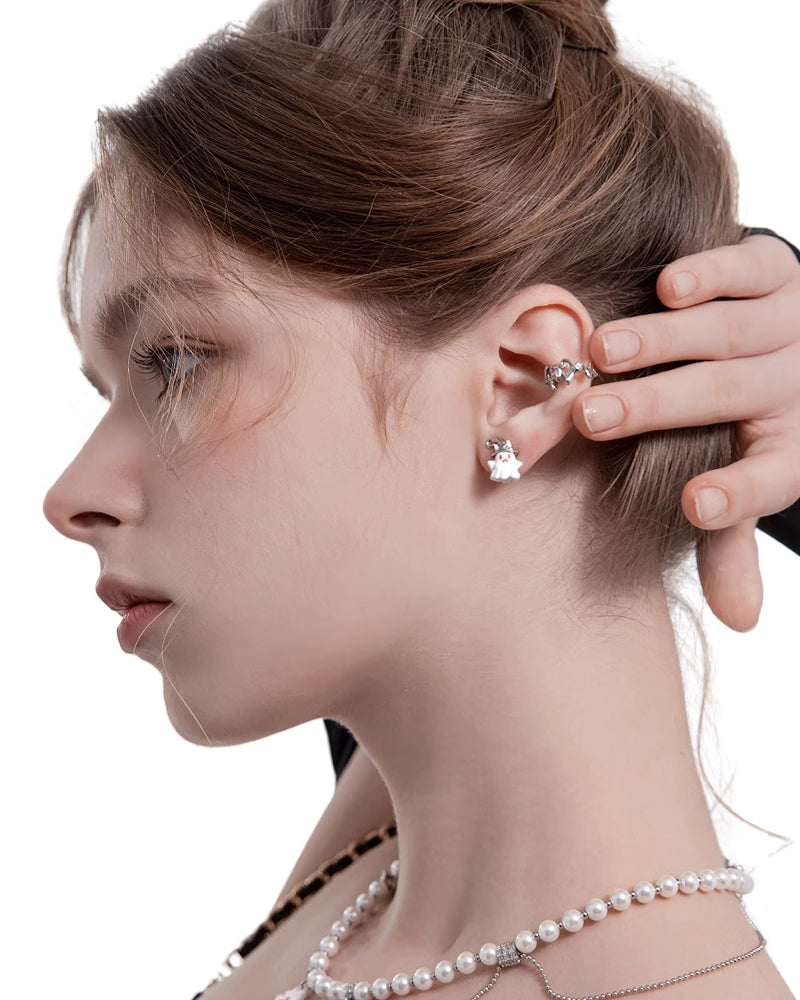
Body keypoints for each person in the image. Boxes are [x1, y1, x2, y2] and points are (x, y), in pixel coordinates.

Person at [43, 1, 799, 998]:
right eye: (110, 391)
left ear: (525, 383)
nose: (69, 496)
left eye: (177, 362)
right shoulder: (367, 888)